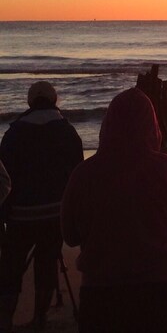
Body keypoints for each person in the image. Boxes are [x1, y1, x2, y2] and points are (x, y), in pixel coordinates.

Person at [61, 88, 167, 332]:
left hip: (99, 293)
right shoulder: (166, 168)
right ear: (152, 125)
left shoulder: (84, 173)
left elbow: (69, 236)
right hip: (156, 289)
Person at [0, 81, 84, 332]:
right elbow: (76, 175)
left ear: (30, 102)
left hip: (19, 215)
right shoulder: (67, 131)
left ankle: (5, 320)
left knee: (11, 268)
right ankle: (39, 318)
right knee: (46, 264)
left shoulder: (13, 133)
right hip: (54, 213)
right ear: (54, 100)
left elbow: (3, 180)